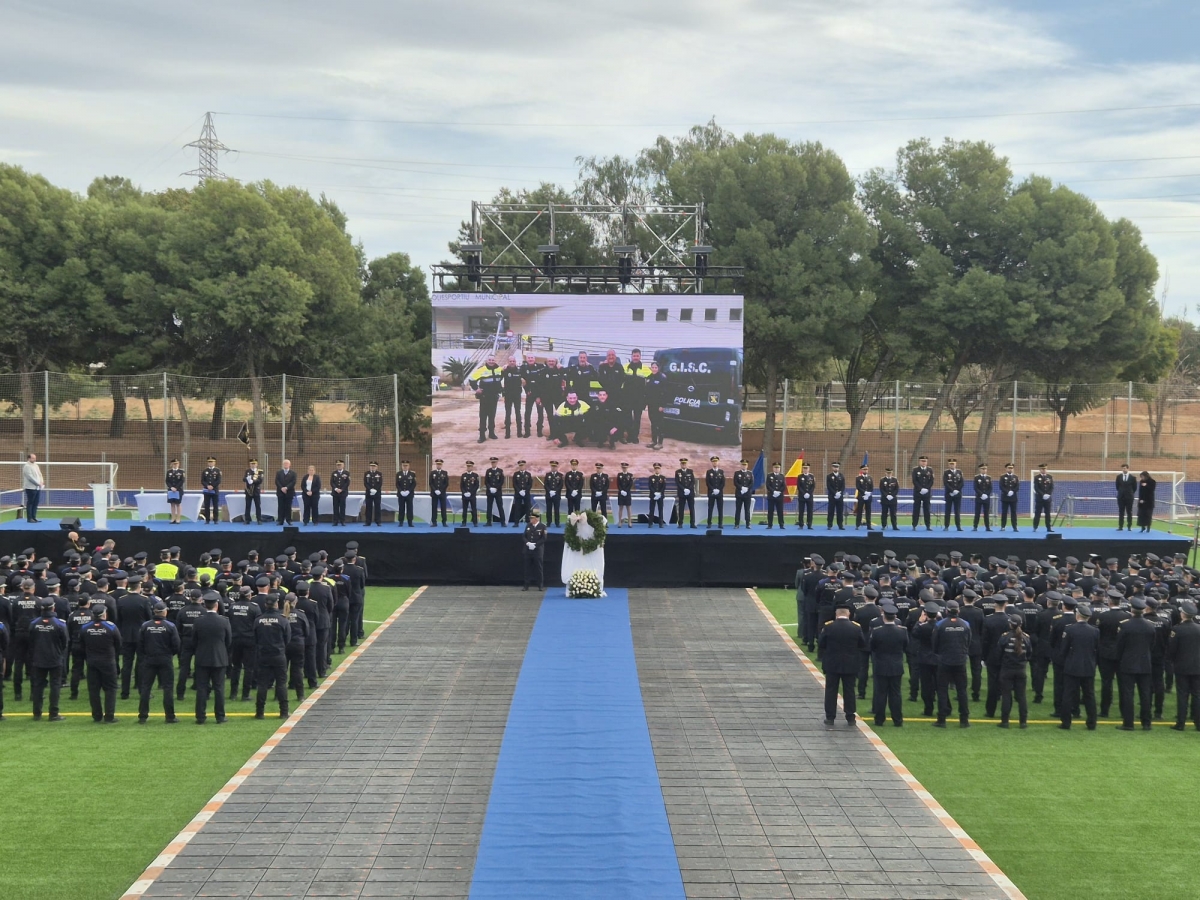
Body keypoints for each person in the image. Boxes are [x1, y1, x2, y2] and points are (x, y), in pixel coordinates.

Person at [818, 604, 865, 727]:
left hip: (832, 663)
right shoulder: (856, 628)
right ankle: (850, 717)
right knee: (849, 691)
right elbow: (862, 644)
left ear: (836, 614)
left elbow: (821, 643)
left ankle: (830, 717)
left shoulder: (829, 626)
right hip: (850, 664)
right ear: (848, 614)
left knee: (831, 691)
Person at [137, 601, 180, 724]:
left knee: (146, 688)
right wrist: (169, 654)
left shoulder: (145, 626)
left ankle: (142, 716)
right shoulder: (170, 626)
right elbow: (176, 645)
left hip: (149, 660)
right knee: (168, 688)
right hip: (165, 659)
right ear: (165, 612)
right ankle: (170, 716)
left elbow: (140, 645)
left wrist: (146, 655)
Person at [1116, 597, 1155, 730]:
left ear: (1131, 609)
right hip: (1145, 663)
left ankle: (1128, 723)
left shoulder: (1125, 625)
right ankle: (1146, 723)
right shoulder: (1150, 625)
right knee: (1145, 694)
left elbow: (1119, 645)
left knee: (1128, 694)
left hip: (1128, 663)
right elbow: (1152, 645)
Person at [193, 594, 232, 725]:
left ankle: (200, 716)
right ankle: (220, 716)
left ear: (205, 605)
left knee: (202, 688)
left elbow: (194, 640)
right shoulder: (224, 621)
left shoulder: (198, 621)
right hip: (219, 658)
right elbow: (228, 640)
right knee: (219, 688)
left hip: (202, 657)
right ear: (216, 605)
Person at [1059, 603, 1099, 730]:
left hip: (1072, 666)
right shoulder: (1095, 631)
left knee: (1068, 695)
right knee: (1089, 695)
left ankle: (1066, 722)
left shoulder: (1070, 629)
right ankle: (1092, 722)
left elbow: (1063, 649)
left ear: (1077, 615)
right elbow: (1097, 649)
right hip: (1088, 666)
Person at [932, 600, 971, 727]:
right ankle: (964, 720)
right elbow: (968, 641)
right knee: (962, 691)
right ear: (958, 611)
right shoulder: (965, 624)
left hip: (944, 661)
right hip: (960, 660)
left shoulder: (940, 624)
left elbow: (935, 644)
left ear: (946, 611)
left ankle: (942, 719)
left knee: (942, 690)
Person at [869, 602, 908, 726]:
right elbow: (905, 647)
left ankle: (879, 719)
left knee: (881, 693)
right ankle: (897, 720)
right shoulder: (902, 631)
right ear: (895, 617)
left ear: (883, 616)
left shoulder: (877, 631)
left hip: (880, 665)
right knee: (895, 693)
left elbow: (872, 647)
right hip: (896, 665)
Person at [81, 604, 121, 724]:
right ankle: (109, 716)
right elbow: (118, 643)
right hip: (108, 661)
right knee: (110, 689)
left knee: (93, 690)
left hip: (92, 661)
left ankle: (97, 715)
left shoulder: (85, 627)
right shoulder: (111, 627)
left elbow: (81, 644)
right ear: (104, 614)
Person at [28, 600, 68, 722]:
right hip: (55, 658)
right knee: (55, 686)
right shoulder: (60, 624)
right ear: (53, 608)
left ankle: (37, 713)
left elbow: (31, 641)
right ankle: (53, 713)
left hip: (38, 658)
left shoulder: (34, 623)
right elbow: (64, 642)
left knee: (38, 686)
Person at [253, 595, 291, 719]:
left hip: (263, 655)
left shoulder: (258, 620)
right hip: (278, 654)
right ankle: (284, 712)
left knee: (262, 684)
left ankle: (259, 713)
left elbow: (255, 638)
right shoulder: (283, 620)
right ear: (276, 604)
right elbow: (287, 639)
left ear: (265, 605)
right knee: (281, 683)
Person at [995, 613, 1031, 728]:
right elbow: (1029, 654)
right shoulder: (1026, 637)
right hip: (1021, 670)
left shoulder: (1005, 637)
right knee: (1021, 696)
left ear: (1010, 624)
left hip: (1007, 670)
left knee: (1006, 696)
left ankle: (1005, 721)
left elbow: (999, 654)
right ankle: (1023, 722)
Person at [1168, 600, 1200, 731]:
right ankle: (1198, 723)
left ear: (1183, 614)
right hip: (1198, 666)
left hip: (1182, 666)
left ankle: (1181, 723)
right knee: (1197, 695)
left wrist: (1171, 661)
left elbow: (1171, 650)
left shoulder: (1177, 629)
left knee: (1182, 695)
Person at [227, 588, 262, 702]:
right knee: (249, 668)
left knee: (235, 667)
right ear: (249, 595)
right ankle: (245, 694)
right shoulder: (254, 607)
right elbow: (258, 624)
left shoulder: (233, 606)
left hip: (235, 639)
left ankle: (233, 693)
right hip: (250, 640)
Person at [469, 354, 503, 443]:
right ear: (486, 360)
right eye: (490, 360)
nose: (491, 361)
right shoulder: (481, 370)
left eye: (493, 360)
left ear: (495, 361)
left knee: (492, 416)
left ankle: (491, 433)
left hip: (494, 396)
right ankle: (482, 436)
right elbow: (472, 379)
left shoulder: (499, 369)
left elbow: (502, 377)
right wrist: (476, 389)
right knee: (483, 416)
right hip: (484, 397)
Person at [283, 592, 310, 703]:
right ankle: (300, 695)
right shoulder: (301, 614)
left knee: (282, 671)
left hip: (284, 645)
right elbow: (307, 631)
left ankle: (279, 695)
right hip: (298, 644)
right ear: (296, 602)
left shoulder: (282, 615)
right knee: (298, 670)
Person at [623, 349, 650, 443]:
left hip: (639, 399)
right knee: (628, 418)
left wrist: (645, 399)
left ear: (640, 356)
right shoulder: (625, 367)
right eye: (634, 356)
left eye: (637, 356)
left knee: (637, 419)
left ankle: (635, 437)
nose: (635, 357)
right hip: (627, 398)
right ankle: (629, 436)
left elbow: (650, 384)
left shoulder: (645, 369)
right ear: (631, 356)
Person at [521, 355, 547, 439]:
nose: (530, 359)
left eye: (532, 358)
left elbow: (543, 382)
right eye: (529, 358)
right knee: (527, 412)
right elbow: (522, 380)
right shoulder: (523, 368)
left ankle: (539, 430)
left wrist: (539, 396)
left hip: (539, 394)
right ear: (526, 359)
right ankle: (527, 431)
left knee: (540, 413)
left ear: (534, 359)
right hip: (530, 394)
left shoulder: (540, 366)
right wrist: (527, 391)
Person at [644, 361, 668, 450]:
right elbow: (646, 391)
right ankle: (653, 441)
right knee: (653, 423)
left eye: (655, 368)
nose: (654, 369)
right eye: (652, 367)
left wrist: (662, 405)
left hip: (659, 405)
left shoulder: (662, 378)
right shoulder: (649, 378)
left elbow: (665, 393)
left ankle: (660, 442)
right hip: (651, 404)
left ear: (659, 368)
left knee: (659, 424)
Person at [522, 509, 547, 591]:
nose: (531, 520)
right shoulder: (528, 525)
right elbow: (524, 536)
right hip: (528, 550)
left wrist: (536, 545)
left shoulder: (542, 526)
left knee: (538, 568)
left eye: (532, 518)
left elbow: (544, 538)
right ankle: (526, 585)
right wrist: (528, 543)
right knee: (527, 568)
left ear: (537, 519)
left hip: (538, 550)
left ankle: (540, 585)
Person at [502, 357, 525, 438]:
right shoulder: (504, 370)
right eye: (510, 361)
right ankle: (507, 433)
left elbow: (525, 379)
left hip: (517, 395)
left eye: (513, 361)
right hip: (508, 395)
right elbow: (498, 378)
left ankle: (519, 432)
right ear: (508, 362)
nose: (512, 362)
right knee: (508, 414)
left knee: (518, 413)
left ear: (516, 362)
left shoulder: (519, 370)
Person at [911, 455, 934, 530]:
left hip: (927, 493)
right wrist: (920, 489)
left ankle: (928, 525)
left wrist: (927, 488)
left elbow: (931, 481)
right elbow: (914, 481)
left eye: (925, 461)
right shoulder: (915, 470)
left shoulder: (930, 470)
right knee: (916, 509)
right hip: (918, 492)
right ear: (919, 462)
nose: (924, 463)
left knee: (927, 509)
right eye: (922, 461)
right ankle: (914, 525)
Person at [22, 452, 44, 522]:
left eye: (35, 458)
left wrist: (41, 481)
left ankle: (34, 517)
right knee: (30, 502)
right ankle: (29, 518)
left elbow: (40, 474)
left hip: (37, 487)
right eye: (33, 458)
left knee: (36, 502)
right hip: (30, 488)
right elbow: (30, 477)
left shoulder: (36, 465)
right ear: (29, 458)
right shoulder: (26, 466)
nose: (34, 459)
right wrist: (38, 483)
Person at [943, 458, 964, 531]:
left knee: (957, 511)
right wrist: (952, 491)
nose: (952, 465)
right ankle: (946, 526)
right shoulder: (946, 472)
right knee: (947, 511)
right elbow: (946, 483)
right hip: (949, 494)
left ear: (956, 464)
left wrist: (957, 490)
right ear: (948, 464)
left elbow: (962, 482)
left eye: (953, 463)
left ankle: (958, 526)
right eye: (950, 464)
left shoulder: (959, 472)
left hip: (957, 494)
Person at [510, 460, 533, 525]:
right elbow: (514, 484)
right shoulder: (516, 474)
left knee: (527, 507)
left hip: (526, 493)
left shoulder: (528, 474)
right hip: (518, 493)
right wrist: (519, 491)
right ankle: (516, 522)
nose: (521, 467)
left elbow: (530, 484)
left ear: (525, 466)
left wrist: (525, 491)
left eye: (522, 465)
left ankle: (528, 521)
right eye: (520, 466)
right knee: (517, 507)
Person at [1032, 463, 1054, 532]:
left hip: (1047, 499)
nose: (1044, 470)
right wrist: (1042, 495)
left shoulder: (1050, 477)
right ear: (1040, 469)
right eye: (1042, 469)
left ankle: (1049, 527)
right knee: (1037, 513)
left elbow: (1051, 487)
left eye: (1045, 469)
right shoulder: (1036, 477)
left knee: (1048, 513)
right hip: (1039, 498)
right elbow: (1036, 488)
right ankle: (1035, 527)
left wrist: (1048, 494)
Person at [675, 458, 696, 528]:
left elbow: (693, 481)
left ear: (687, 464)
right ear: (680, 464)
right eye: (682, 463)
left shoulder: (690, 471)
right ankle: (680, 523)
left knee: (692, 508)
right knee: (681, 508)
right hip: (682, 492)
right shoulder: (677, 472)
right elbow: (677, 482)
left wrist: (688, 489)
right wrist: (684, 489)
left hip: (690, 492)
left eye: (685, 463)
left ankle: (692, 523)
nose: (684, 465)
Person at [484, 457, 506, 525]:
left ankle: (503, 522)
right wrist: (490, 488)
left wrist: (496, 488)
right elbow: (486, 481)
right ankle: (488, 521)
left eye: (494, 462)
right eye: (492, 462)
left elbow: (502, 481)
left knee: (500, 506)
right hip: (490, 492)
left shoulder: (500, 471)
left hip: (498, 492)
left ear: (496, 463)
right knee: (489, 507)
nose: (493, 464)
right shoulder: (488, 471)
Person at [200, 457, 222, 525]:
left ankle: (216, 519)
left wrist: (212, 486)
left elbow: (219, 480)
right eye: (209, 462)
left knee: (215, 505)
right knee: (207, 505)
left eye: (212, 462)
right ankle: (207, 519)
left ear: (214, 463)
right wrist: (207, 486)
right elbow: (202, 480)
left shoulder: (218, 470)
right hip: (207, 490)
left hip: (214, 490)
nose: (210, 463)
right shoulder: (205, 471)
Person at [733, 459, 754, 528]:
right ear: (740, 465)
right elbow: (735, 482)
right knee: (738, 509)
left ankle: (748, 524)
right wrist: (741, 488)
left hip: (747, 494)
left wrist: (747, 488)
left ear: (747, 466)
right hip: (739, 494)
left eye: (745, 465)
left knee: (747, 510)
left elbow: (752, 482)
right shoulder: (737, 473)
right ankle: (736, 524)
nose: (744, 466)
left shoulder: (750, 473)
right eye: (742, 464)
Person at [1115, 463, 1137, 530]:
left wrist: (1129, 493)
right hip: (1121, 497)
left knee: (1129, 512)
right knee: (1121, 512)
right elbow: (1117, 486)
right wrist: (1121, 492)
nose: (1123, 469)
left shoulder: (1132, 478)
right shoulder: (1118, 477)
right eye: (1122, 468)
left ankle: (1129, 526)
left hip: (1129, 498)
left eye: (1125, 468)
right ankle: (1120, 526)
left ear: (1128, 468)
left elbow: (1134, 488)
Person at [999, 462, 1020, 531]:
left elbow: (1017, 486)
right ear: (1006, 468)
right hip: (1005, 497)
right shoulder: (1002, 477)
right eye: (1009, 468)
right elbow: (1001, 486)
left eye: (1012, 468)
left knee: (1013, 513)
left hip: (1013, 498)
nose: (1010, 469)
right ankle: (1003, 526)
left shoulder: (1015, 477)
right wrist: (1007, 492)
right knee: (1004, 512)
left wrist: (1013, 491)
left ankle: (1015, 526)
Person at [275, 459, 297, 525]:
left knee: (288, 506)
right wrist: (281, 488)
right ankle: (280, 520)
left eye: (287, 464)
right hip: (280, 492)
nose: (286, 465)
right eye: (284, 464)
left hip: (289, 492)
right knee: (280, 506)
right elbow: (277, 481)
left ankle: (289, 520)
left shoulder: (293, 473)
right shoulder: (279, 472)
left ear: (290, 465)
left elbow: (293, 482)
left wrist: (286, 488)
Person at [706, 456, 725, 528]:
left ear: (718, 462)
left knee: (720, 509)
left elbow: (723, 483)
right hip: (711, 493)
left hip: (719, 493)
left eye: (716, 461)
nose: (715, 463)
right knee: (710, 508)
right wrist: (713, 490)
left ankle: (720, 523)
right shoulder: (709, 472)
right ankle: (709, 523)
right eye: (713, 461)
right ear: (711, 463)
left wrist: (718, 490)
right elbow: (708, 482)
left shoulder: (721, 472)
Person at [765, 462, 786, 529]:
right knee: (770, 511)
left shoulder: (782, 476)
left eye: (778, 467)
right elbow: (768, 485)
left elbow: (784, 486)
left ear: (780, 468)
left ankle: (781, 524)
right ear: (773, 468)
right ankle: (770, 525)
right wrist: (773, 491)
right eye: (775, 467)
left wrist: (779, 492)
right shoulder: (769, 476)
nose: (777, 469)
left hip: (779, 496)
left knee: (780, 511)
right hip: (772, 496)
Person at [396, 460, 417, 526]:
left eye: (406, 465)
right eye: (403, 466)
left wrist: (409, 491)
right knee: (401, 508)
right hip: (401, 494)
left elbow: (414, 484)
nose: (405, 467)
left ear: (408, 466)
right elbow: (397, 484)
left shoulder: (412, 474)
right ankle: (401, 521)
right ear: (401, 466)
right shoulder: (398, 474)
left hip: (409, 494)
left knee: (409, 508)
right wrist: (401, 491)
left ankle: (410, 522)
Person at [428, 459, 449, 527]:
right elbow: (430, 483)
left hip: (442, 493)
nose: (438, 465)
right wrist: (435, 490)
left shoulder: (445, 473)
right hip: (434, 493)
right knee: (434, 508)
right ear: (436, 465)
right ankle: (434, 522)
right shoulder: (432, 473)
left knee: (443, 508)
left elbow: (446, 483)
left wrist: (441, 490)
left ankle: (444, 522)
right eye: (437, 464)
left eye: (440, 464)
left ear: (441, 465)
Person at [329, 460, 350, 526]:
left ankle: (342, 521)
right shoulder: (334, 473)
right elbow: (332, 482)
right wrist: (336, 488)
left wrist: (342, 489)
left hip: (343, 493)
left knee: (342, 507)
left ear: (343, 465)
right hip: (335, 493)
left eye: (340, 465)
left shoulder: (346, 473)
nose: (339, 466)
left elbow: (347, 482)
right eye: (338, 465)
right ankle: (335, 521)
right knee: (335, 507)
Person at [243, 459, 264, 524]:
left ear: (257, 464)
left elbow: (260, 480)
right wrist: (247, 478)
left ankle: (259, 519)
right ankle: (247, 519)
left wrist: (253, 481)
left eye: (254, 464)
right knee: (248, 505)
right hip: (248, 491)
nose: (253, 465)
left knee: (257, 505)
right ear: (250, 464)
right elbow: (243, 479)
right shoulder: (247, 471)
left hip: (256, 490)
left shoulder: (260, 471)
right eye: (252, 464)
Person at [543, 460, 563, 526]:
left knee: (556, 509)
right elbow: (545, 484)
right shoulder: (547, 475)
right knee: (548, 509)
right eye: (552, 466)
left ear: (557, 467)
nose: (553, 468)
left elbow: (561, 485)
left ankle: (557, 522)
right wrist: (549, 491)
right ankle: (548, 522)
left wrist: (555, 491)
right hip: (549, 495)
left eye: (555, 467)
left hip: (556, 495)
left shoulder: (560, 475)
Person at [826, 462, 845, 530]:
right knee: (831, 511)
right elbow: (829, 486)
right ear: (832, 468)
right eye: (834, 467)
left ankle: (840, 525)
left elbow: (843, 486)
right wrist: (835, 493)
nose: (835, 468)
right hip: (832, 497)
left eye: (837, 467)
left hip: (839, 497)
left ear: (838, 468)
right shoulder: (829, 476)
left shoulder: (841, 476)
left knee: (840, 511)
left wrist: (840, 493)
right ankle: (829, 524)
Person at [165, 459, 185, 524]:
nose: (175, 465)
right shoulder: (169, 472)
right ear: (172, 465)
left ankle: (178, 518)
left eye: (176, 464)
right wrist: (171, 487)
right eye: (174, 464)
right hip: (171, 490)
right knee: (172, 504)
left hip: (178, 490)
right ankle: (173, 518)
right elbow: (167, 481)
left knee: (178, 504)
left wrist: (176, 487)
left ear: (178, 464)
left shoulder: (181, 472)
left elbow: (182, 481)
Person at [363, 461, 383, 526]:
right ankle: (368, 522)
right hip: (369, 493)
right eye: (371, 466)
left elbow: (380, 483)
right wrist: (370, 489)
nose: (372, 467)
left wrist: (375, 490)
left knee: (377, 507)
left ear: (377, 467)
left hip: (377, 493)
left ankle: (378, 521)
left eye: (374, 466)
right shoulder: (366, 473)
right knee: (368, 508)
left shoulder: (379, 474)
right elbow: (365, 483)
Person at [973, 463, 992, 531]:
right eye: (983, 469)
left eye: (985, 469)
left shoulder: (989, 478)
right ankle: (975, 526)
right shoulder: (977, 477)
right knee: (977, 512)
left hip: (986, 498)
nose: (984, 470)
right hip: (979, 498)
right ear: (980, 469)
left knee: (986, 513)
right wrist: (981, 494)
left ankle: (987, 527)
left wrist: (986, 495)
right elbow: (976, 488)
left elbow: (990, 488)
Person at [854, 464, 873, 529]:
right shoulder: (858, 478)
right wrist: (864, 493)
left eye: (867, 469)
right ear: (861, 470)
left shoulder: (870, 478)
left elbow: (871, 487)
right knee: (859, 511)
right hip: (861, 497)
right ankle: (858, 525)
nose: (866, 470)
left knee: (868, 511)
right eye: (864, 469)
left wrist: (868, 494)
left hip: (868, 497)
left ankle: (869, 525)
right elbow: (858, 487)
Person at [460, 460, 479, 526]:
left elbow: (476, 485)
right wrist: (464, 492)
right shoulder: (463, 475)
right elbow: (461, 486)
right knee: (464, 509)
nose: (468, 468)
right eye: (467, 466)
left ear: (472, 467)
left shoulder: (475, 475)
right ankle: (464, 522)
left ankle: (475, 522)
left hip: (472, 495)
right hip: (465, 495)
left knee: (474, 509)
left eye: (470, 466)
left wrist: (471, 493)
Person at [796, 464, 815, 529]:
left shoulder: (811, 476)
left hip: (809, 497)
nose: (805, 469)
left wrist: (809, 493)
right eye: (804, 468)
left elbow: (813, 486)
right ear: (802, 469)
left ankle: (809, 524)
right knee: (801, 511)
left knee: (810, 511)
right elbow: (799, 486)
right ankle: (801, 524)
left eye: (806, 468)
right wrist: (804, 493)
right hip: (802, 496)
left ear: (809, 469)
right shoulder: (800, 476)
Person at [648, 462, 667, 527]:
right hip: (653, 496)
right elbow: (650, 486)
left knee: (660, 509)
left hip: (660, 496)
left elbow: (664, 486)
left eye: (658, 468)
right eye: (655, 469)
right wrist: (654, 493)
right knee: (651, 509)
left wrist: (659, 493)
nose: (657, 470)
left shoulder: (663, 477)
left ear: (660, 469)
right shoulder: (651, 477)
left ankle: (661, 523)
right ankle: (650, 523)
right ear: (654, 469)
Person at [616, 462, 634, 528]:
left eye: (625, 468)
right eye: (623, 468)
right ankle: (620, 522)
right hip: (621, 493)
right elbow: (618, 484)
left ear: (627, 468)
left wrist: (626, 491)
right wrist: (621, 491)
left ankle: (629, 522)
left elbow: (630, 484)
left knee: (628, 508)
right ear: (621, 468)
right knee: (620, 508)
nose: (624, 469)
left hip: (627, 493)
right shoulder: (619, 475)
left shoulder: (630, 475)